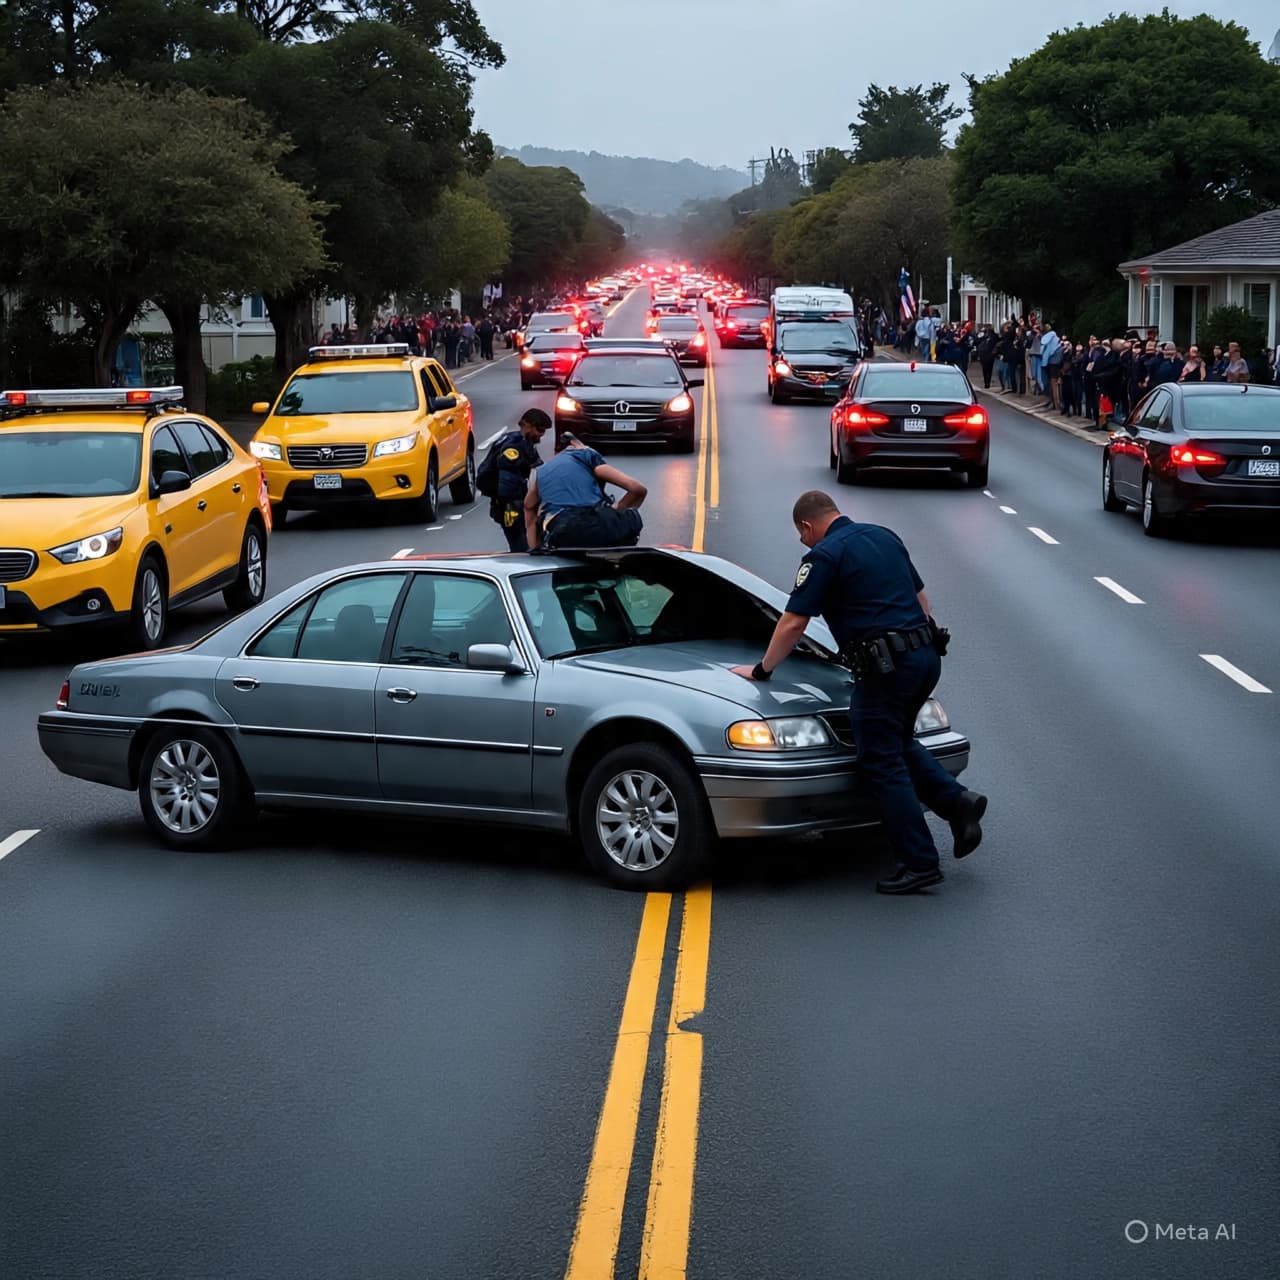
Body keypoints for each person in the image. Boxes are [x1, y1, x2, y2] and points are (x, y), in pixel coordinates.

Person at [730, 490, 987, 895]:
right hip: (926, 658)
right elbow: (922, 601)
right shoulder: (884, 535)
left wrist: (762, 670)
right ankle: (957, 802)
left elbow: (794, 622)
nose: (804, 543)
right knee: (896, 739)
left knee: (879, 759)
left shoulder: (823, 555)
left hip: (888, 669)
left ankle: (919, 862)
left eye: (802, 537)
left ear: (807, 526)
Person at [525, 437, 647, 550]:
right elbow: (637, 489)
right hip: (594, 526)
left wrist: (534, 550)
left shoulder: (540, 472)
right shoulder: (584, 454)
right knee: (631, 516)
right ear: (574, 445)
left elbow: (528, 509)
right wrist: (617, 509)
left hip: (562, 531)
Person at [486, 408, 549, 551]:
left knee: (527, 545)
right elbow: (507, 481)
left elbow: (538, 468)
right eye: (539, 430)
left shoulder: (523, 443)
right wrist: (512, 507)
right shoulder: (513, 447)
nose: (541, 435)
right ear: (527, 425)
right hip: (511, 507)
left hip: (516, 503)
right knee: (521, 548)